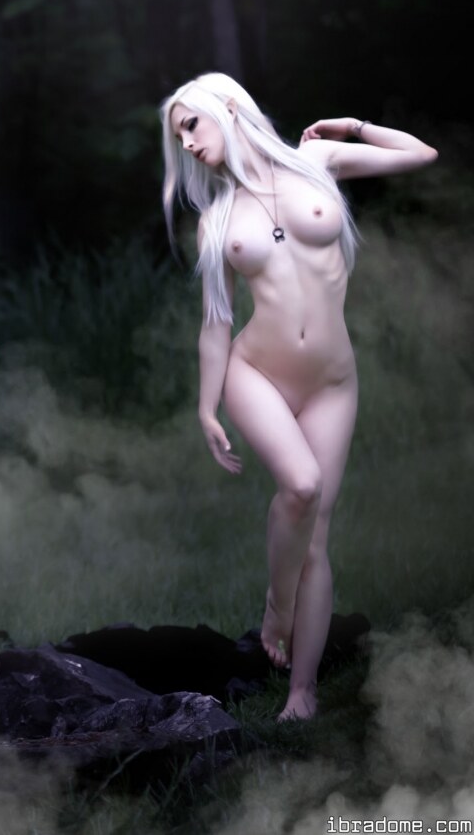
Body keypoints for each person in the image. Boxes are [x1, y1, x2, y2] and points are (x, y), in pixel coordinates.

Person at [160, 72, 438, 720]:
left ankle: (302, 692)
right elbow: (217, 322)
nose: (188, 144)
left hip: (332, 381)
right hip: (255, 372)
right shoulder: (217, 219)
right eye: (179, 137)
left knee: (316, 537)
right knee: (302, 486)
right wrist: (206, 406)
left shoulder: (318, 160)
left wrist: (352, 126)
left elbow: (420, 154)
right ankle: (276, 607)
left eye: (192, 125)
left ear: (229, 107)